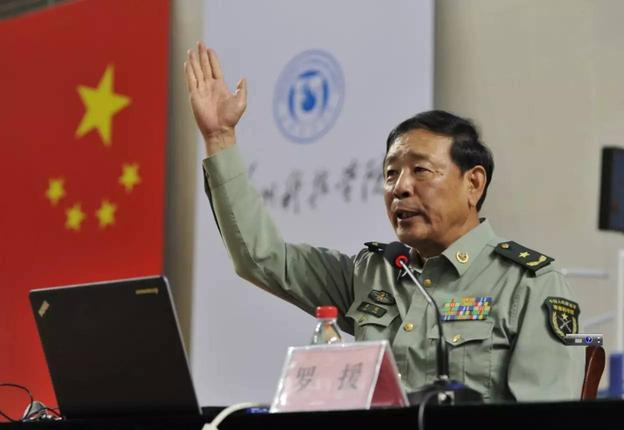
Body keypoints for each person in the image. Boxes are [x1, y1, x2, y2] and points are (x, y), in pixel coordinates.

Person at [184, 41, 584, 402]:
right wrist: (220, 138)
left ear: (473, 183)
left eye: (421, 171)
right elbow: (261, 258)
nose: (400, 187)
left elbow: (544, 420)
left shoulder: (529, 284)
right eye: (391, 174)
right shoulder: (374, 273)